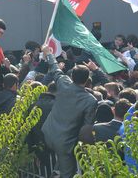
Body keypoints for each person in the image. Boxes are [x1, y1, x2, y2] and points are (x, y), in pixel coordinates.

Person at [41, 45, 97, 178]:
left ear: (72, 75)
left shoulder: (63, 82)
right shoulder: (91, 101)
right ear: (87, 80)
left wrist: (48, 53)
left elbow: (55, 68)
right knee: (67, 174)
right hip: (65, 143)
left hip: (48, 133)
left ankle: (56, 170)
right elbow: (86, 129)